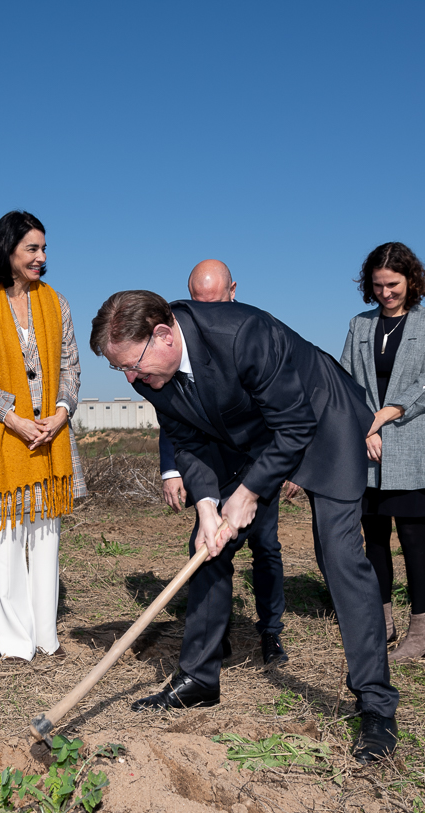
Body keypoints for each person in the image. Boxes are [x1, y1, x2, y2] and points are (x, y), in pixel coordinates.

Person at [89, 290, 400, 764]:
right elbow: (187, 441)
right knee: (209, 547)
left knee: (339, 556)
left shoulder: (241, 333)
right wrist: (207, 507)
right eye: (120, 369)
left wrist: (249, 492)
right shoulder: (150, 372)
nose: (131, 379)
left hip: (321, 419)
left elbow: (295, 424)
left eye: (132, 365)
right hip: (248, 434)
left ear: (163, 335)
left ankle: (376, 704)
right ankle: (199, 678)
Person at [0, 211, 85, 661]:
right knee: (8, 541)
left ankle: (45, 637)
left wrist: (61, 413)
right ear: (7, 250)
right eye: (32, 248)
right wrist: (14, 419)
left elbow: (71, 366)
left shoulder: (57, 303)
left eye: (44, 249)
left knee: (46, 539)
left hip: (51, 438)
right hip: (4, 437)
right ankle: (15, 643)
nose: (41, 257)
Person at [158, 260, 287, 666]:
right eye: (198, 303)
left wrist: (288, 466)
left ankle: (271, 631)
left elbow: (285, 412)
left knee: (265, 546)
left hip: (259, 462)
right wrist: (172, 469)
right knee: (209, 547)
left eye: (214, 302)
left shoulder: (249, 335)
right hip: (212, 464)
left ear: (233, 291)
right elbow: (174, 412)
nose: (206, 313)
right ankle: (215, 638)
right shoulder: (180, 339)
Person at [339, 243, 425, 662]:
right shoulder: (360, 325)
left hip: (413, 446)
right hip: (368, 448)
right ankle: (382, 623)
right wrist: (364, 426)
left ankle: (420, 632)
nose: (385, 293)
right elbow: (346, 380)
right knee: (374, 539)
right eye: (378, 285)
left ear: (411, 281)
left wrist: (382, 416)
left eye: (393, 285)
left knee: (412, 538)